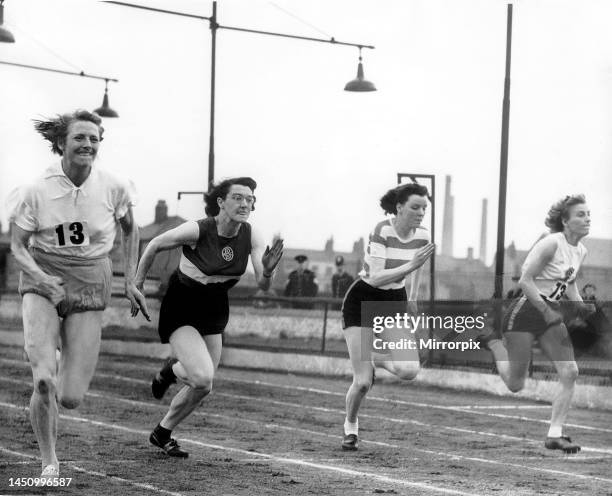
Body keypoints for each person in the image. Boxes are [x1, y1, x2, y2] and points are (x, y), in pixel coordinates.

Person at [7, 110, 146, 479]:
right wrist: (40, 276)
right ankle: (49, 460)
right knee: (43, 379)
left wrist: (130, 279)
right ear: (61, 144)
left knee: (69, 397)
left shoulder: (113, 186)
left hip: (90, 277)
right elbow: (17, 246)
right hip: (43, 275)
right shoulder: (36, 190)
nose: (87, 144)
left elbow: (132, 230)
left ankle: (57, 354)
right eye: (79, 138)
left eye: (94, 139)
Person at [132, 177, 283, 457]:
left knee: (204, 386)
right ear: (221, 202)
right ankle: (170, 372)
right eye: (237, 197)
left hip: (215, 306)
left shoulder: (252, 235)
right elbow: (153, 244)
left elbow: (263, 285)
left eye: (249, 199)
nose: (245, 203)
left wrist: (269, 271)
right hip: (183, 304)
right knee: (201, 378)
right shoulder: (198, 229)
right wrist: (137, 284)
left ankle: (162, 431)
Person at [483, 195, 593, 453]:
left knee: (570, 372)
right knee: (515, 384)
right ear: (564, 221)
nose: (587, 218)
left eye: (588, 214)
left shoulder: (581, 250)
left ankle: (554, 435)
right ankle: (495, 344)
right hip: (526, 311)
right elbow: (525, 280)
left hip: (551, 313)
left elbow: (570, 282)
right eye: (580, 214)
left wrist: (579, 304)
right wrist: (545, 311)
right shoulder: (550, 244)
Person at [340, 183, 435, 450]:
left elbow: (418, 267)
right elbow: (376, 276)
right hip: (362, 299)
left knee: (409, 370)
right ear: (399, 207)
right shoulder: (382, 230)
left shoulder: (423, 234)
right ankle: (351, 426)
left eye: (424, 208)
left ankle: (373, 358)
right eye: (415, 207)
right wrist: (411, 264)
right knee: (362, 382)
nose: (420, 213)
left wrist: (413, 296)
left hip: (394, 301)